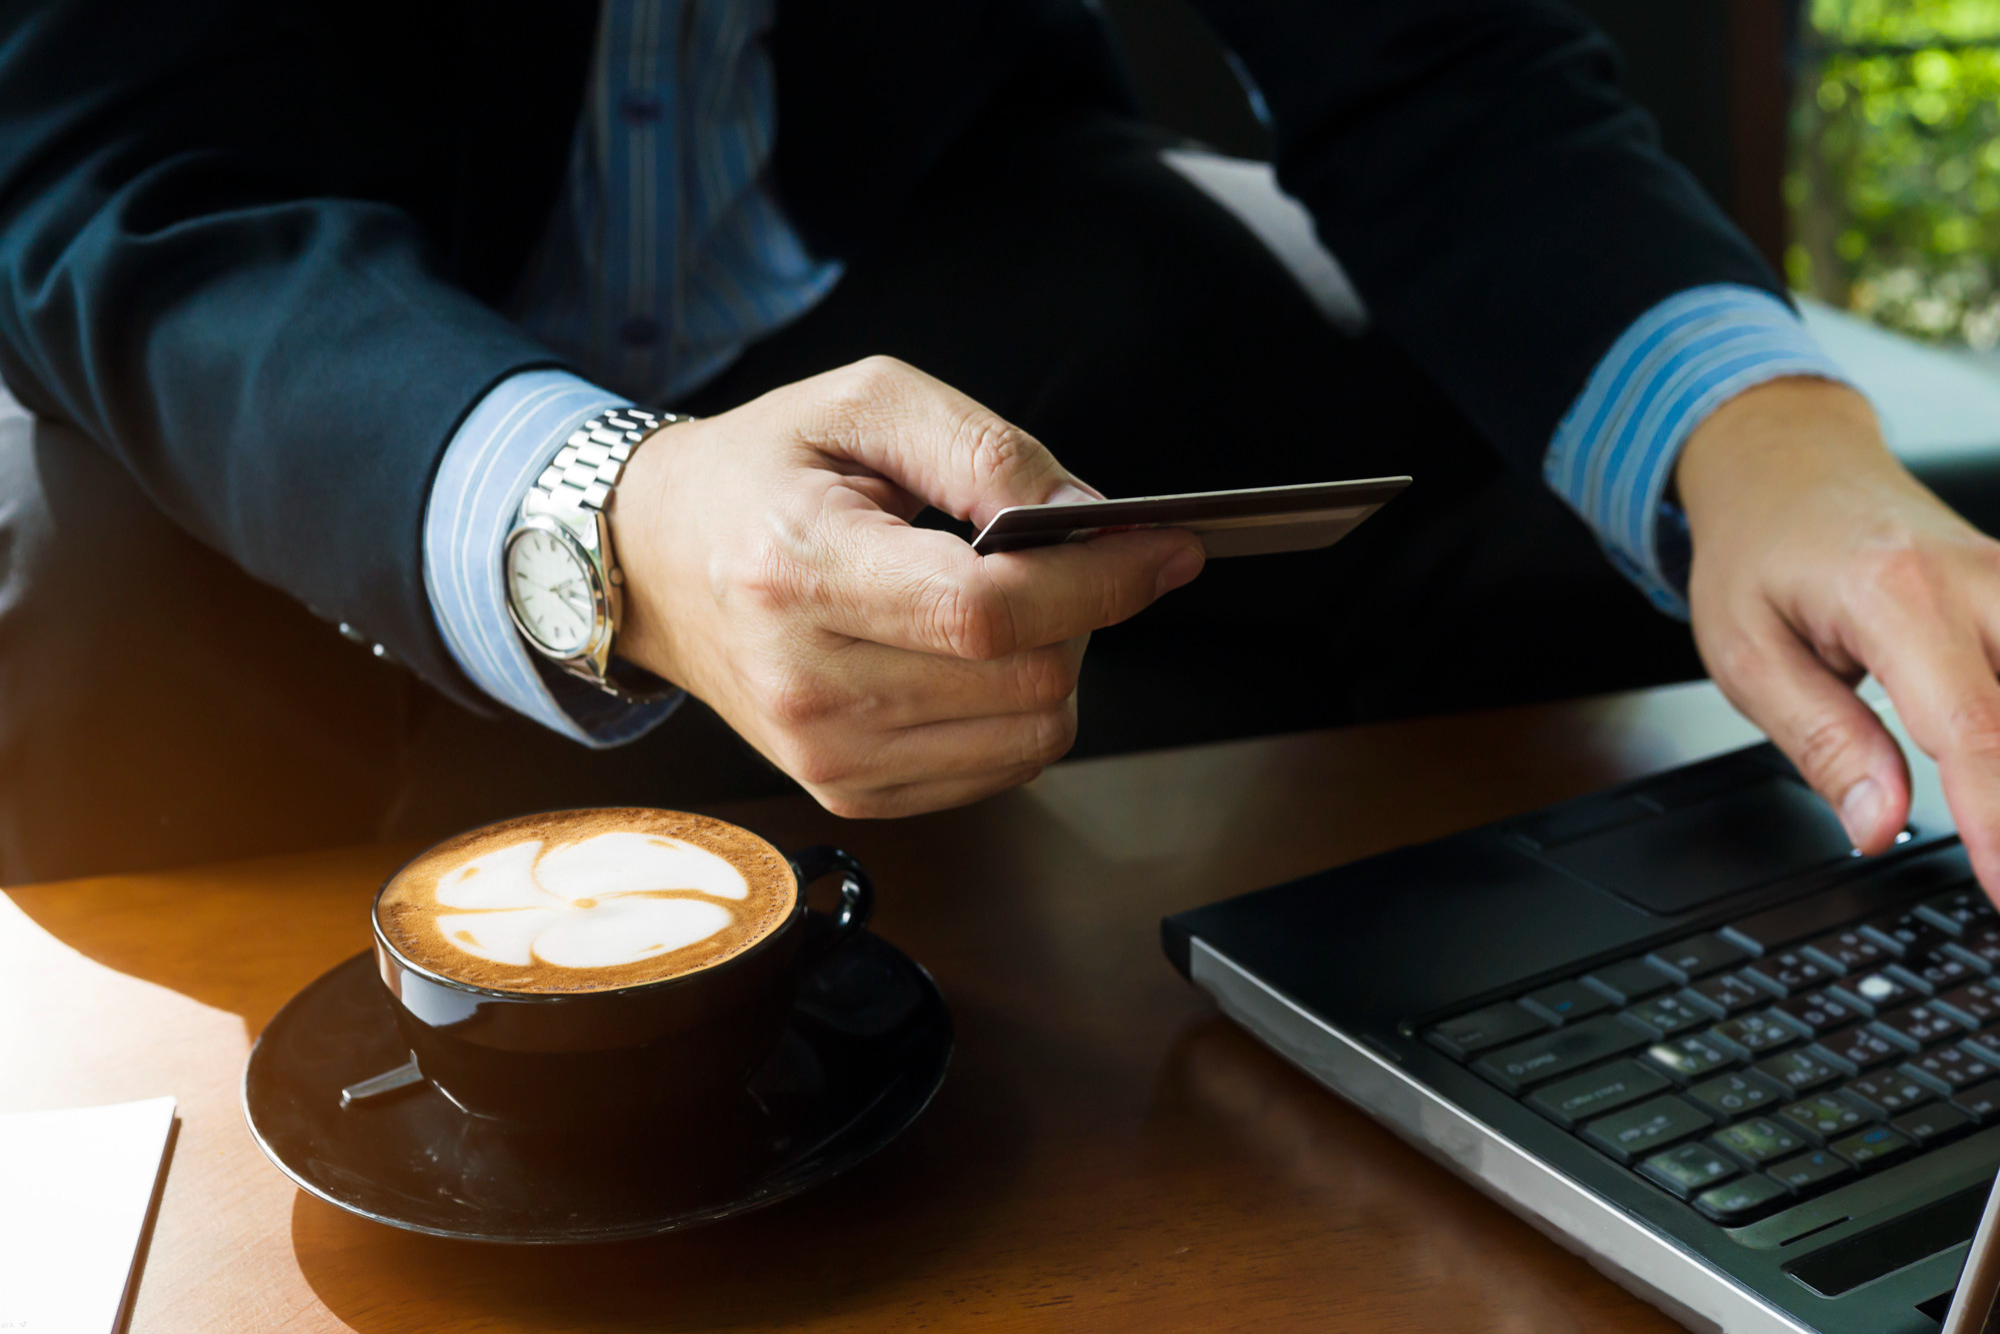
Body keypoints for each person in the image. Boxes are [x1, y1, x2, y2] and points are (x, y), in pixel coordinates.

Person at [1, 1, 1994, 892]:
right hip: (304, 382)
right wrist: (596, 513)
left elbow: (1438, 67)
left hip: (942, 237)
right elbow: (104, 174)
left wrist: (1767, 440)